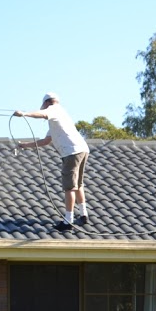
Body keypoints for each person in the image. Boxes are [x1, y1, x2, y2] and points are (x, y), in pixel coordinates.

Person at [14, 92, 90, 232]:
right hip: (82, 149)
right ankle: (83, 215)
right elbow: (46, 141)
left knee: (69, 187)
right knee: (78, 184)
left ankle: (68, 221)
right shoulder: (59, 117)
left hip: (72, 152)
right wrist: (24, 145)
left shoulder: (54, 109)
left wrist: (24, 114)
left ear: (47, 103)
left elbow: (41, 114)